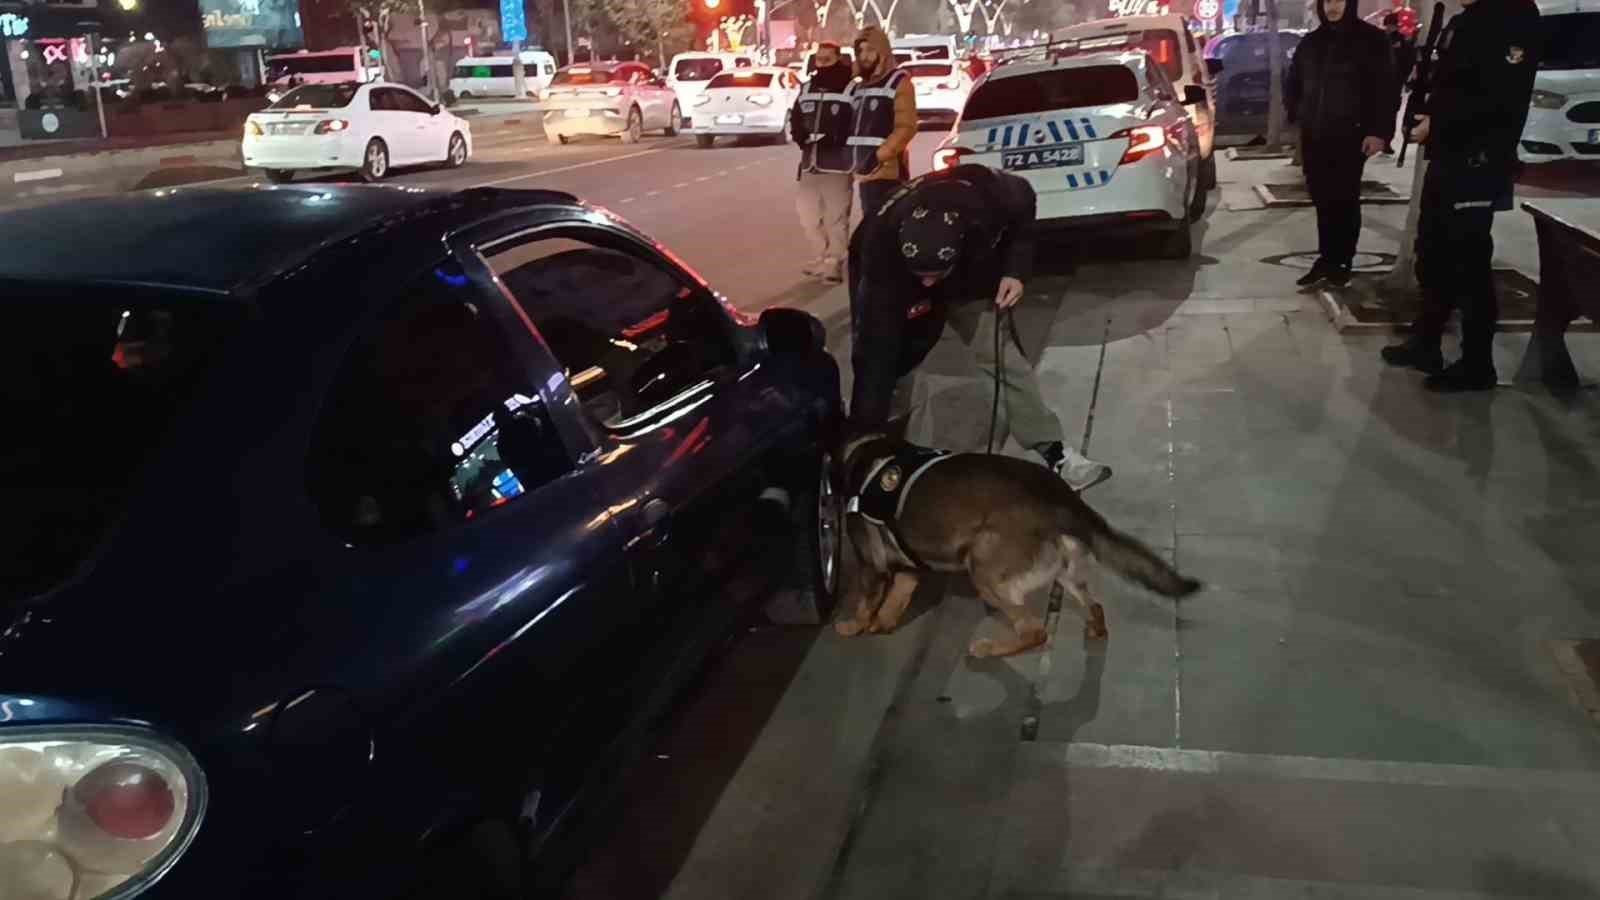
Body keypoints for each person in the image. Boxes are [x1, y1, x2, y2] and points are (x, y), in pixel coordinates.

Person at [847, 165, 1112, 491]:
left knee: (1002, 356)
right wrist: (864, 427)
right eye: (925, 275)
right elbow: (875, 352)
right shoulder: (881, 244)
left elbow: (1024, 215)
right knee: (890, 363)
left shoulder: (997, 196)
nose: (929, 283)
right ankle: (876, 452)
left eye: (935, 274)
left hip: (969, 273)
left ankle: (1054, 451)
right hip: (898, 282)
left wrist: (1015, 269)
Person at [1381, 0, 1541, 392]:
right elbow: (1453, 81)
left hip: (1478, 161)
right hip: (1448, 155)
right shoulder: (1465, 20)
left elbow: (1500, 97)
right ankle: (1426, 341)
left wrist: (1439, 120)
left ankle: (1477, 363)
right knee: (1433, 251)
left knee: (1468, 263)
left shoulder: (1513, 16)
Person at [1285, 0, 1396, 289]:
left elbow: (1385, 90)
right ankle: (1326, 258)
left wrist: (1378, 132)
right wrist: (1297, 115)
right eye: (1328, 1)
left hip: (1351, 136)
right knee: (1322, 198)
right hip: (1315, 135)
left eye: (1339, 0)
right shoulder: (1311, 43)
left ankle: (1342, 260)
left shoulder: (1371, 40)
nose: (1333, 6)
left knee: (1344, 199)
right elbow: (1294, 82)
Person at [791, 43, 856, 283]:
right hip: (809, 162)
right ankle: (820, 255)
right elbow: (796, 116)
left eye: (828, 59)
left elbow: (855, 122)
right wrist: (799, 136)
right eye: (819, 59)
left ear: (839, 59)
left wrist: (837, 139)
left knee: (836, 216)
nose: (823, 63)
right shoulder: (807, 86)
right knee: (807, 214)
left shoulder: (851, 88)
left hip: (837, 163)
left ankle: (834, 262)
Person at [847, 26, 918, 217]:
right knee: (872, 229)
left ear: (882, 51)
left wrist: (879, 156)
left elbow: (906, 127)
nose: (864, 56)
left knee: (885, 229)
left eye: (870, 50)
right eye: (860, 51)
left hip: (889, 173)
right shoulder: (860, 85)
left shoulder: (898, 81)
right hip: (865, 173)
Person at [1382, 12, 1418, 154]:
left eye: (1391, 25)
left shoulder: (1401, 41)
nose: (1389, 28)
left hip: (1394, 83)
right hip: (1382, 83)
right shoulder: (1380, 40)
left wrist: (1404, 78)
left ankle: (1387, 141)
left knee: (1391, 113)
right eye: (1388, 25)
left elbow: (1408, 60)